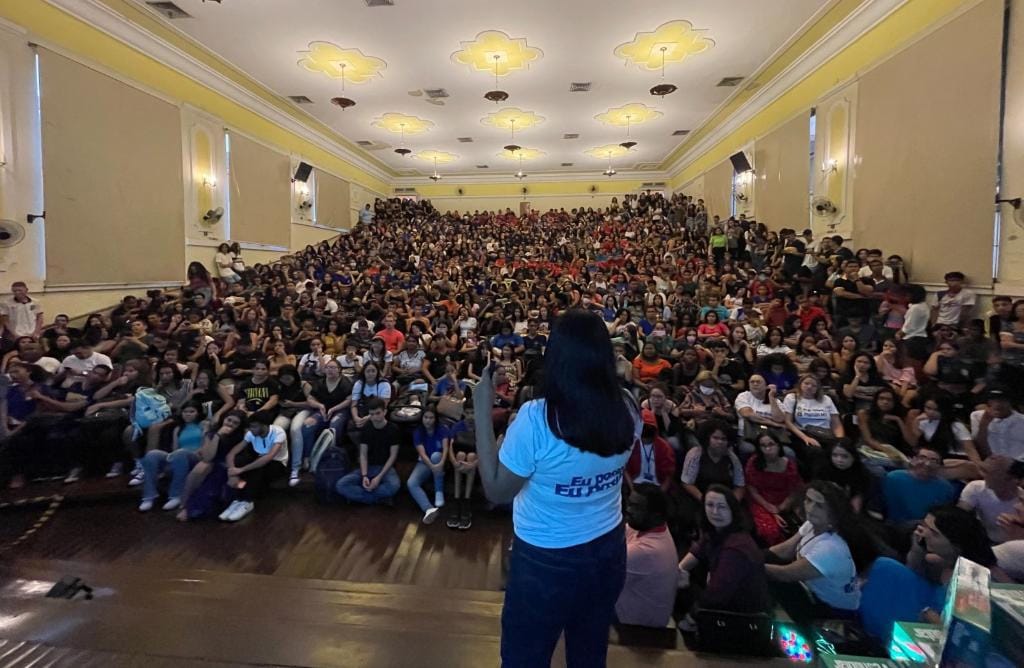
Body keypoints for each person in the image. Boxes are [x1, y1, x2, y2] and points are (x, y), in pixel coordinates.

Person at [472, 309, 641, 668]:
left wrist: (482, 410)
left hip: (545, 559)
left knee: (525, 658)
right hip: (608, 548)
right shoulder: (628, 406)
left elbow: (496, 490)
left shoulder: (537, 418)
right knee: (589, 654)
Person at [859, 506, 995, 642]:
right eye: (924, 527)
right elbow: (913, 571)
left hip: (931, 621)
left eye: (934, 533)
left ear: (955, 546)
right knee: (886, 568)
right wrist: (918, 548)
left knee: (887, 569)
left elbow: (965, 634)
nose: (924, 534)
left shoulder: (972, 580)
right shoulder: (936, 558)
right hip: (920, 605)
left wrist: (929, 614)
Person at [766, 481, 863, 622]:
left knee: (770, 579)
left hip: (834, 613)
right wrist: (754, 554)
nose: (810, 508)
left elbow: (785, 574)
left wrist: (750, 563)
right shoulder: (812, 524)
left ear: (833, 511)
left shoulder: (830, 548)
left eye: (819, 505)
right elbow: (785, 550)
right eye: (808, 500)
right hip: (812, 592)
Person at [677, 485, 769, 632]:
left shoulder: (736, 548)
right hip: (722, 595)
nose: (715, 512)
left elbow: (717, 594)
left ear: (733, 509)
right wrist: (679, 570)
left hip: (740, 614)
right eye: (710, 505)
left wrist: (691, 617)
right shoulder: (716, 531)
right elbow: (697, 551)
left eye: (722, 507)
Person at [614, 483, 679, 628]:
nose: (628, 510)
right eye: (630, 504)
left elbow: (597, 577)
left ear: (655, 515)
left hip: (636, 625)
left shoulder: (646, 551)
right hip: (634, 611)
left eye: (636, 507)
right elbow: (615, 534)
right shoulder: (654, 527)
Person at [220, 410, 288, 522]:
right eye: (250, 427)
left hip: (278, 464)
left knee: (256, 468)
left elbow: (269, 457)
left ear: (264, 426)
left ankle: (247, 501)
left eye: (254, 427)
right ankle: (238, 500)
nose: (251, 430)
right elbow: (232, 453)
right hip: (260, 461)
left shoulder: (278, 432)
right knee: (241, 460)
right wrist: (232, 471)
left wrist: (241, 470)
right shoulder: (250, 434)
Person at [138, 400, 205, 512]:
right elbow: (175, 449)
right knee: (152, 454)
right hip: (179, 456)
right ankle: (149, 496)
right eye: (185, 411)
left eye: (191, 411)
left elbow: (205, 445)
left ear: (198, 413)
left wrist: (189, 452)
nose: (188, 414)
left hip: (197, 456)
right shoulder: (178, 429)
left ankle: (176, 495)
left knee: (181, 453)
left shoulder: (203, 425)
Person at [336, 397, 400, 506]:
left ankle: (364, 497)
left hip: (385, 468)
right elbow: (363, 454)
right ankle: (378, 499)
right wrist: (364, 475)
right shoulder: (367, 428)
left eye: (378, 413)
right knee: (341, 485)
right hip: (368, 467)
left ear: (385, 412)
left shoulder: (393, 429)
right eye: (372, 414)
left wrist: (379, 477)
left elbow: (393, 456)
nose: (375, 417)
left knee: (394, 485)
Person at [745, 432, 803, 545]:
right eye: (763, 445)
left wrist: (782, 507)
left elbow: (795, 489)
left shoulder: (789, 464)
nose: (768, 448)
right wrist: (771, 509)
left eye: (771, 444)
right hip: (761, 500)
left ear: (778, 445)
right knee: (769, 530)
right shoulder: (753, 462)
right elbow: (751, 488)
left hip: (785, 500)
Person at [883, 445, 957, 527]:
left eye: (934, 461)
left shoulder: (946, 488)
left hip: (925, 528)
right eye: (922, 458)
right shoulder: (892, 478)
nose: (927, 464)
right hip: (892, 527)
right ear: (912, 460)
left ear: (939, 466)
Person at [958, 456, 1024, 543]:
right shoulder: (975, 488)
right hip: (987, 543)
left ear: (1013, 479)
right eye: (985, 471)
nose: (984, 476)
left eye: (993, 473)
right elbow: (958, 516)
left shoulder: (1021, 500)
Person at [408, 408, 448, 524]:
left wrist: (440, 463)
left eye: (431, 418)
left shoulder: (442, 429)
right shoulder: (418, 432)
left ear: (435, 419)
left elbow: (445, 449)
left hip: (440, 460)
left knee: (436, 456)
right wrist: (432, 466)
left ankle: (438, 492)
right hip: (425, 462)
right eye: (426, 417)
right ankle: (428, 508)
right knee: (411, 483)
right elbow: (422, 453)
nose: (428, 421)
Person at [624, 409, 675, 493]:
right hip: (635, 484)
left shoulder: (664, 447)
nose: (646, 433)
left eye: (649, 430)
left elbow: (669, 475)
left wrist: (660, 494)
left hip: (657, 486)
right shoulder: (631, 444)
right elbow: (625, 469)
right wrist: (632, 490)